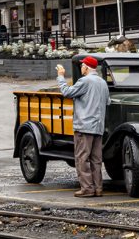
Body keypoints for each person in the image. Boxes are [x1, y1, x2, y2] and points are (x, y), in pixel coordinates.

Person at [56, 55, 110, 197]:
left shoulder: (85, 81)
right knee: (96, 159)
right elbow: (108, 102)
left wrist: (61, 77)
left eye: (82, 66)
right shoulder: (103, 83)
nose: (81, 68)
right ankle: (98, 188)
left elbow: (67, 92)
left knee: (82, 158)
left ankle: (87, 188)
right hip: (98, 126)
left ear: (86, 67)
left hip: (84, 125)